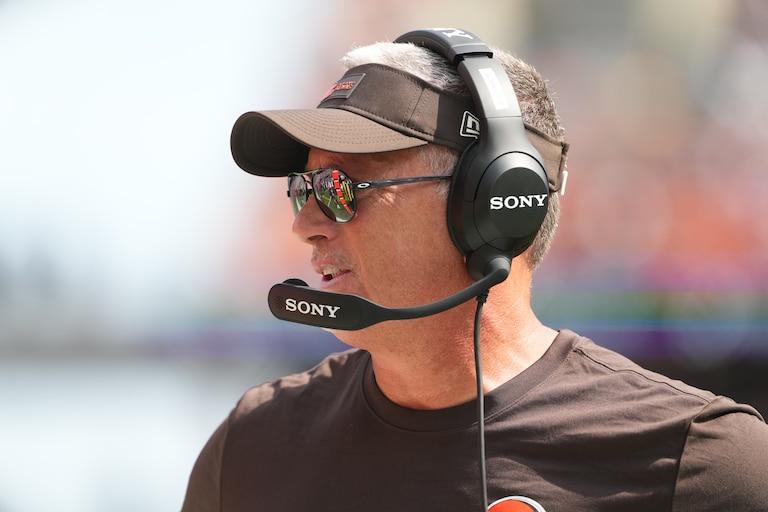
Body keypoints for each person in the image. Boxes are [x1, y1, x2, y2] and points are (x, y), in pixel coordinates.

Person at [181, 28, 768, 512]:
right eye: (302, 188)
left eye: (341, 187)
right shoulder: (249, 450)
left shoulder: (707, 463)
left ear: (493, 203)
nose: (305, 224)